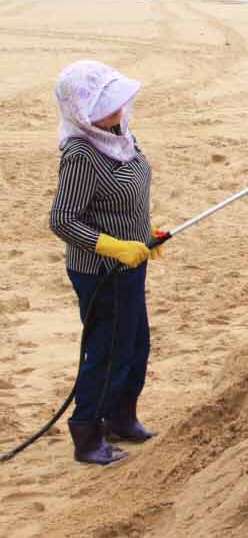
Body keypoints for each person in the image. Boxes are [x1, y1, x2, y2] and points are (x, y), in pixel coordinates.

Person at [49, 60, 163, 466]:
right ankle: (87, 433)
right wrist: (112, 246)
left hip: (131, 262)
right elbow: (62, 220)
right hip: (100, 271)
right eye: (103, 104)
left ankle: (121, 417)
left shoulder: (120, 134)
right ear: (82, 111)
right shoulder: (81, 152)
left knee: (136, 344)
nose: (116, 108)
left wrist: (145, 234)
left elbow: (128, 193)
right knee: (108, 350)